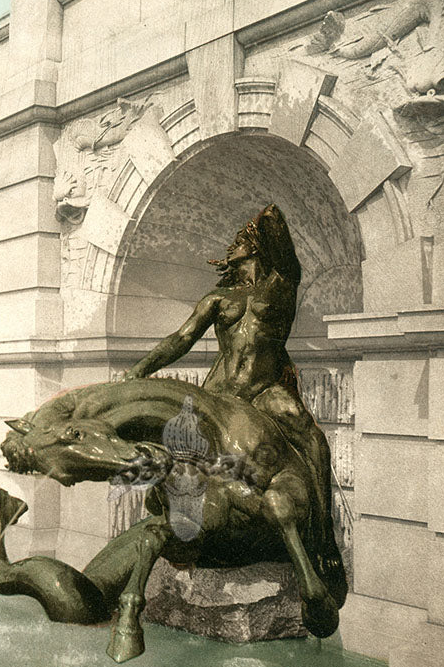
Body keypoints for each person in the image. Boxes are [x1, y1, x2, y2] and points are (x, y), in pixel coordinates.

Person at [124, 203, 333, 531]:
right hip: (220, 392)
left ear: (255, 246)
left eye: (240, 240)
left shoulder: (282, 284)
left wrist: (264, 219)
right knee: (175, 451)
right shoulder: (217, 298)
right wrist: (140, 369)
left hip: (264, 389)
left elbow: (274, 220)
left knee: (312, 437)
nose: (231, 246)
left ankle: (322, 528)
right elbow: (182, 338)